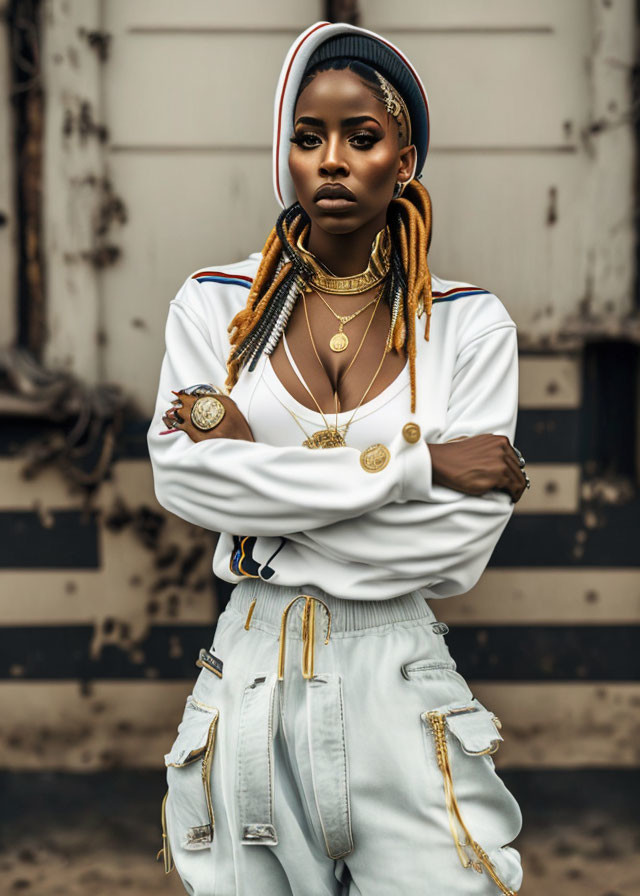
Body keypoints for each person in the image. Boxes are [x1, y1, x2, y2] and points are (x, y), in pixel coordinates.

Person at [147, 20, 529, 896]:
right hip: (246, 676)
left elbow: (455, 552)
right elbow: (184, 477)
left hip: (398, 673)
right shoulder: (215, 307)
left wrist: (260, 510)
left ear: (405, 161)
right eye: (308, 137)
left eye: (362, 138)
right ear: (283, 151)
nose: (331, 160)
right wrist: (417, 471)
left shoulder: (469, 324)